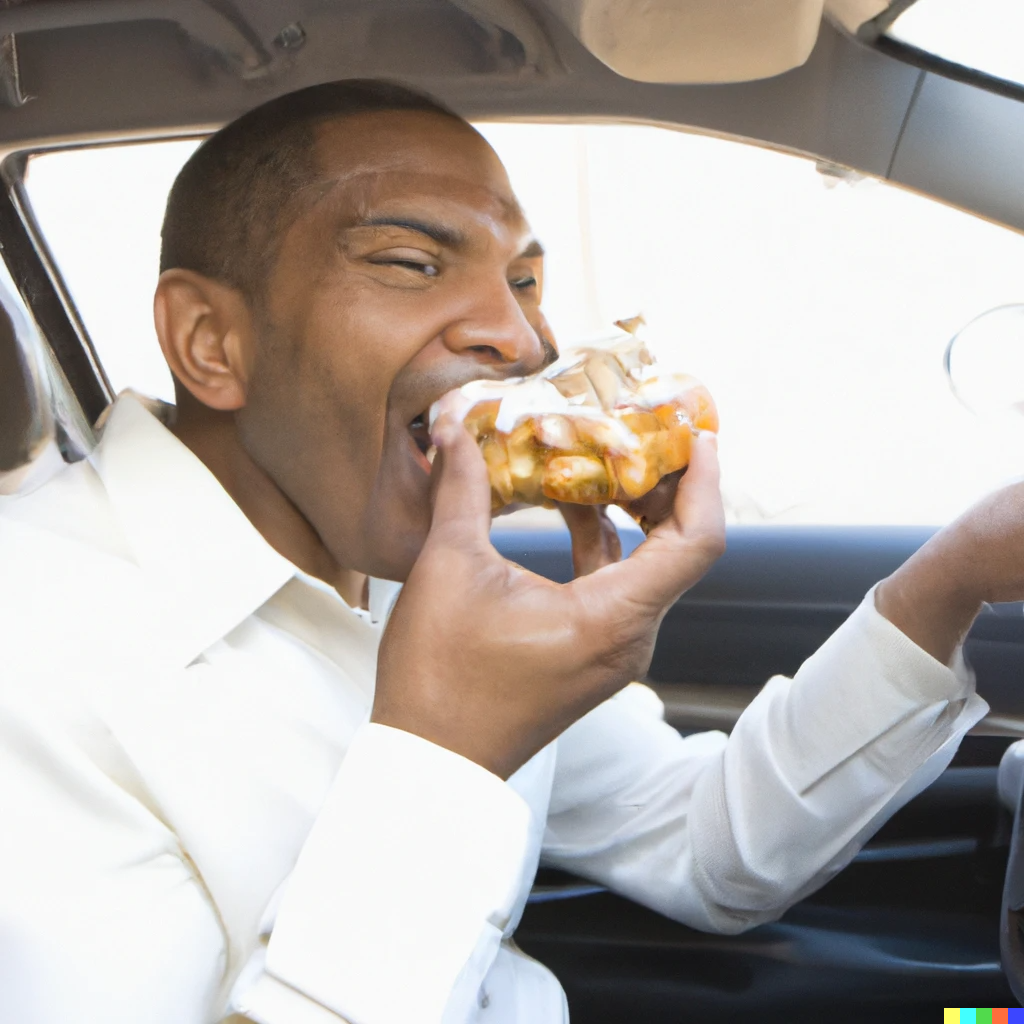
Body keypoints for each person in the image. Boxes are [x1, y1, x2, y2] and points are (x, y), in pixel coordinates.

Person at [0, 78, 1016, 1024]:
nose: (522, 338)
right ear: (214, 342)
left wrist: (957, 570)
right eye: (411, 264)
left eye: (526, 279)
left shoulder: (413, 575)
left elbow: (708, 847)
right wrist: (445, 750)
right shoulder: (32, 657)